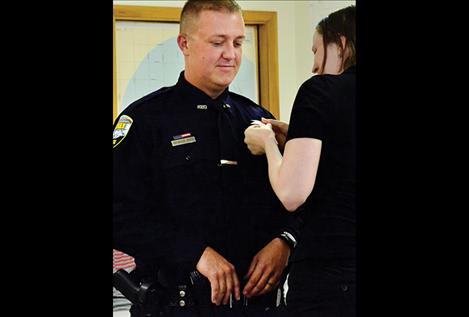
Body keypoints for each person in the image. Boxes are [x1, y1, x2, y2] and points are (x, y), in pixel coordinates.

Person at [112, 1, 302, 316]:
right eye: (217, 42)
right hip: (178, 302)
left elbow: (298, 201)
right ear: (184, 44)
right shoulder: (146, 120)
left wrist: (285, 241)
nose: (231, 53)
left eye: (238, 42)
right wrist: (194, 253)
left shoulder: (258, 120)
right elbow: (119, 215)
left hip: (257, 306)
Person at [244, 5, 356, 317]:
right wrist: (298, 136)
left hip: (333, 278)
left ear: (342, 44)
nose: (313, 67)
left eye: (316, 51)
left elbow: (292, 193)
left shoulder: (320, 91)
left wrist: (267, 143)